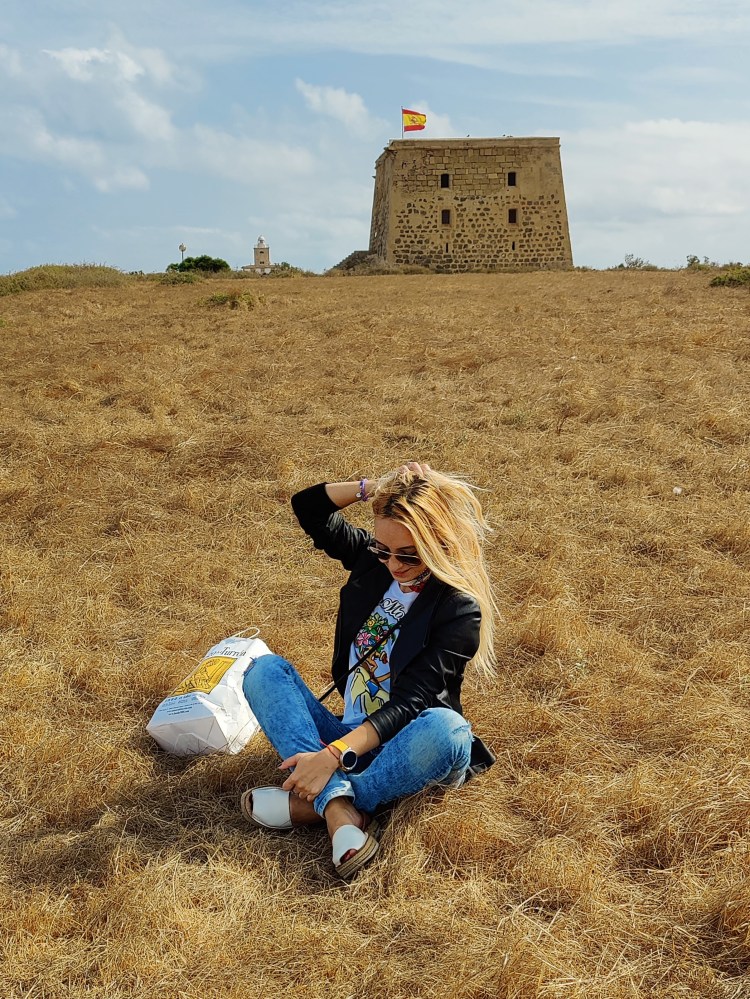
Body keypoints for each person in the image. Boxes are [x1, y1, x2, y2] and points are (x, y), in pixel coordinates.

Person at [240, 462, 497, 879]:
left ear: (440, 542)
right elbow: (308, 508)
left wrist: (331, 756)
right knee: (264, 670)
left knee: (450, 731)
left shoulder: (458, 609)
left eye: (409, 555)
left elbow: (412, 702)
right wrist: (377, 489)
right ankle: (341, 810)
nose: (393, 564)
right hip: (351, 735)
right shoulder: (372, 564)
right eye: (383, 549)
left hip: (412, 744)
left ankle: (324, 801)